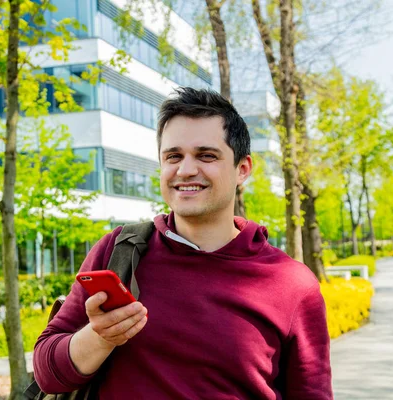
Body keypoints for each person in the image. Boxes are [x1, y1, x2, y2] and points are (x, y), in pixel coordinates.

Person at [33, 87, 333, 399]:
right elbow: (46, 376)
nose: (186, 170)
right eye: (173, 156)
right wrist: (100, 337)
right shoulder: (118, 251)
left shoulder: (293, 284)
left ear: (242, 169)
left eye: (206, 155)